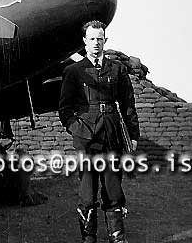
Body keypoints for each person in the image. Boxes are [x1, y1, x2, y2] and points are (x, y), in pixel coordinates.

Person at [58, 20, 139, 243]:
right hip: (86, 141)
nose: (96, 43)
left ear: (105, 41)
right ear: (84, 41)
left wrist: (132, 136)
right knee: (87, 194)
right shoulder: (73, 71)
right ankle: (89, 240)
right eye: (92, 39)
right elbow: (64, 109)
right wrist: (79, 130)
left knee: (113, 192)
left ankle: (117, 239)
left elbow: (128, 104)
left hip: (111, 137)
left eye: (100, 39)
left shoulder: (117, 69)